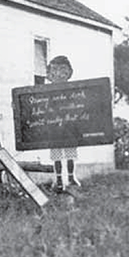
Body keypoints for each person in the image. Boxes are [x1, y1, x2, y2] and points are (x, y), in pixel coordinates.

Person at [46, 55, 80, 192]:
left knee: (71, 153)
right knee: (57, 155)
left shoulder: (73, 88)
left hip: (70, 127)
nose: (59, 74)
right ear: (50, 73)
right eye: (55, 70)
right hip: (53, 127)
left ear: (68, 73)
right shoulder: (45, 91)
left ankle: (71, 177)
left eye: (63, 71)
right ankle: (59, 179)